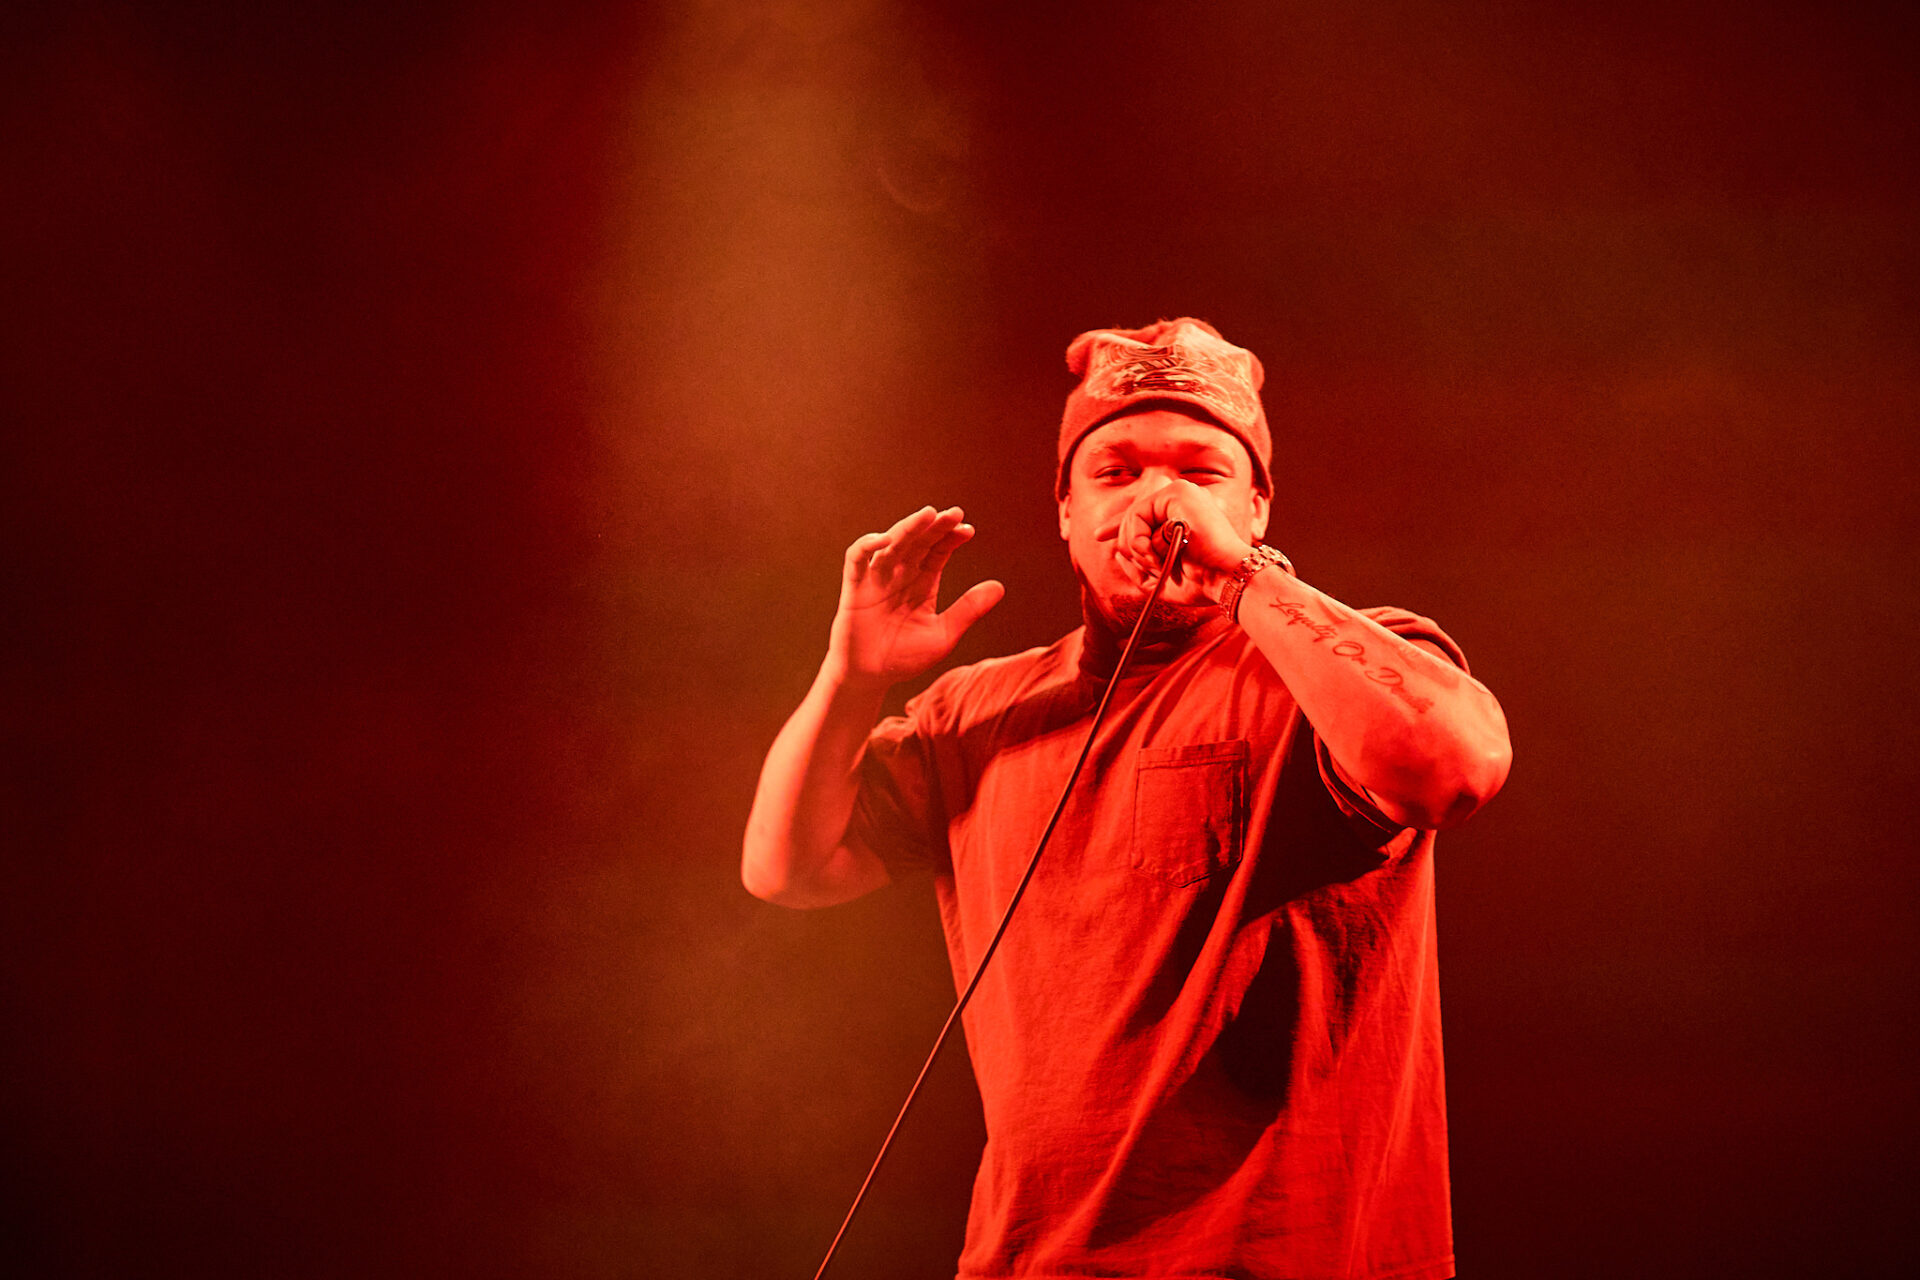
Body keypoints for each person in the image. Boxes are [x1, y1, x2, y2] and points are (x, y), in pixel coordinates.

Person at [742, 318, 1512, 1280]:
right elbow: (791, 867)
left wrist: (1239, 576)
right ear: (1065, 510)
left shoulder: (1331, 668)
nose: (1157, 497)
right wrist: (853, 680)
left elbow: (1452, 767)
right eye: (1114, 471)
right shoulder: (980, 711)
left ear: (1257, 506)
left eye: (1199, 470)